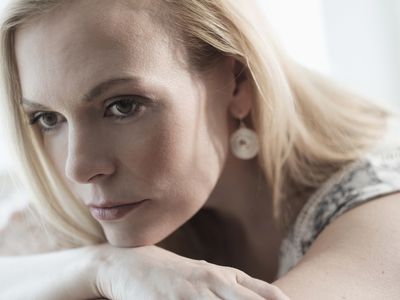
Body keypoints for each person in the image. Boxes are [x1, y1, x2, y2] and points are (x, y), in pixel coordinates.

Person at [0, 0, 400, 299]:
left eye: (122, 106)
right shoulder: (64, 211)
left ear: (238, 83)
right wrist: (103, 266)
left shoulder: (383, 214)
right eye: (49, 119)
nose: (78, 166)